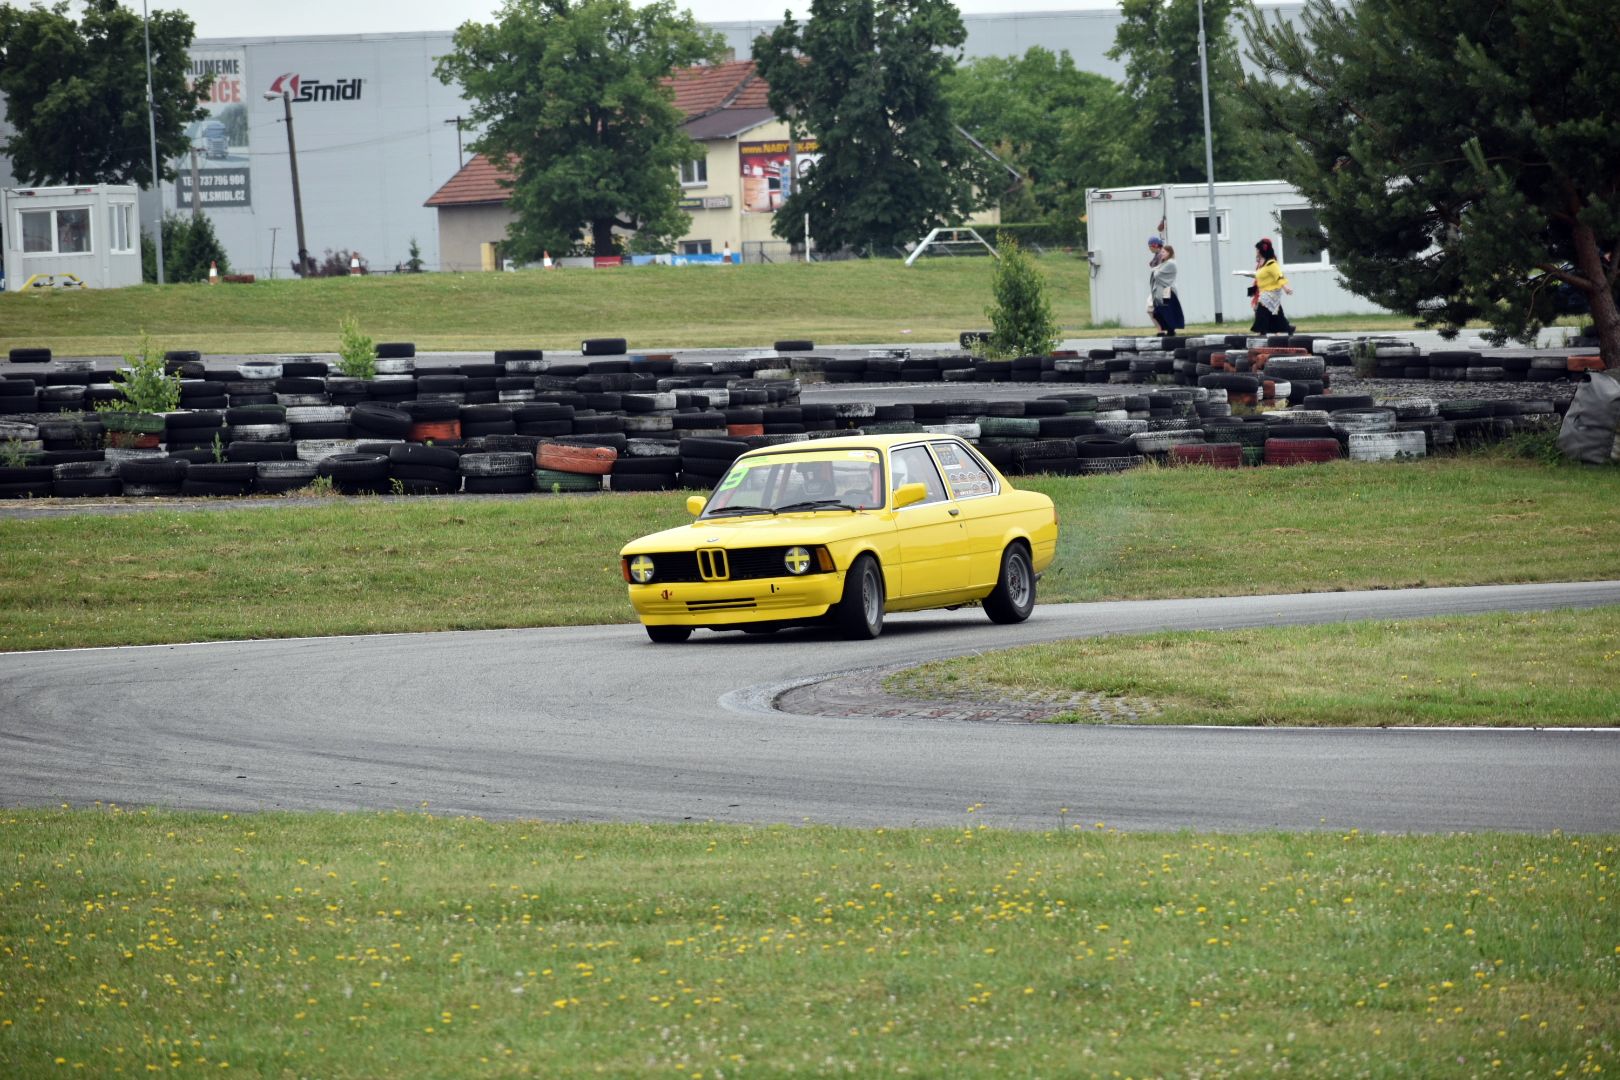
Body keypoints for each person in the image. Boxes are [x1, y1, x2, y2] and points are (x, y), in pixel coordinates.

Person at [1247, 238, 1294, 334]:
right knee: (1276, 315)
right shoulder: (1262, 265)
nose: (1256, 251)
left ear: (1261, 251)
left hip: (1271, 293)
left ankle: (1262, 332)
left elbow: (1279, 276)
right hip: (1264, 292)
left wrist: (1285, 287)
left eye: (1257, 249)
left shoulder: (1272, 264)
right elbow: (1260, 277)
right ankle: (1288, 328)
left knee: (1261, 312)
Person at [1151, 243, 1186, 333]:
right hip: (1164, 290)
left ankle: (1171, 330)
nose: (1161, 254)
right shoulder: (1165, 262)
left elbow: (1157, 275)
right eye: (1161, 252)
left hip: (1167, 290)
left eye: (1163, 252)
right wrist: (1156, 269)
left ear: (1169, 252)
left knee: (1166, 310)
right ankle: (1169, 330)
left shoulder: (1170, 263)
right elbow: (1155, 269)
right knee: (1163, 310)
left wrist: (1156, 270)